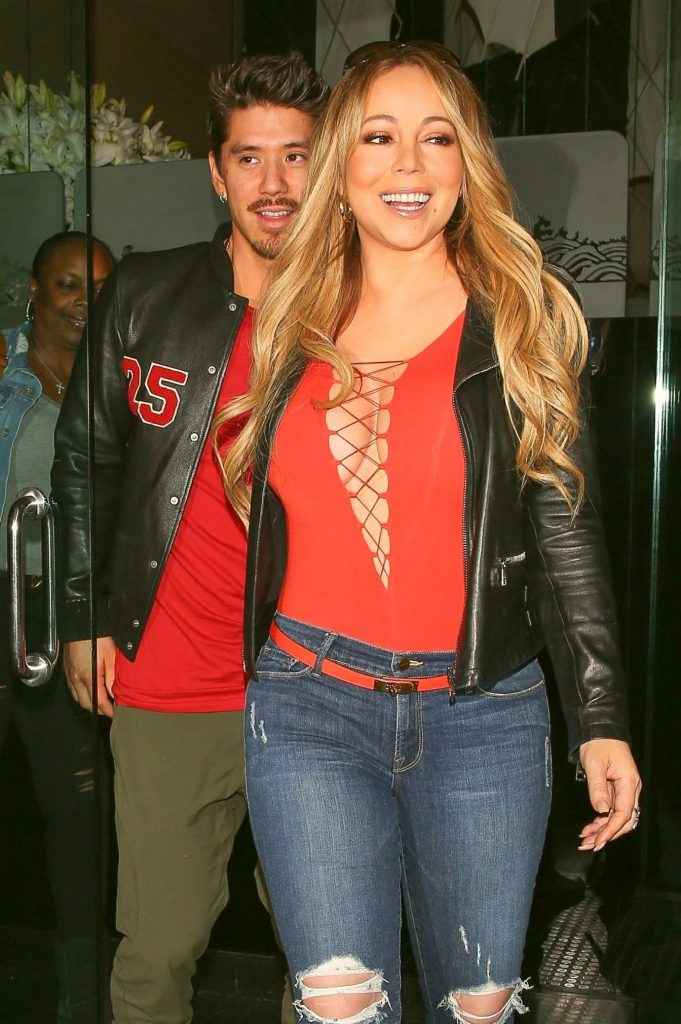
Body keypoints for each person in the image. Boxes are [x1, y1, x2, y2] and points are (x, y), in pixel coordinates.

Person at [216, 42, 642, 1024]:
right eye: (378, 137)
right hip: (308, 706)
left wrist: (601, 715)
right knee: (338, 1006)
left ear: (467, 163)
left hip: (481, 712)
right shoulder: (287, 320)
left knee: (476, 1009)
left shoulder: (522, 320)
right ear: (340, 165)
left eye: (436, 138)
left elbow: (565, 532)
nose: (408, 164)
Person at [51, 53, 328, 1024]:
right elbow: (85, 462)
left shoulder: (365, 308)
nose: (274, 183)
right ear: (215, 171)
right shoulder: (144, 293)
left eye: (296, 156)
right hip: (170, 677)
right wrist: (83, 615)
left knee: (328, 953)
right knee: (159, 948)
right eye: (249, 158)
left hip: (316, 685)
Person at [0, 230, 114, 1023]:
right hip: (2, 596)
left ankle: (82, 997)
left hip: (65, 612)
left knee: (76, 814)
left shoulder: (121, 380)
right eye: (69, 284)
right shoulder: (6, 375)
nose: (84, 302)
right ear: (35, 290)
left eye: (99, 287)